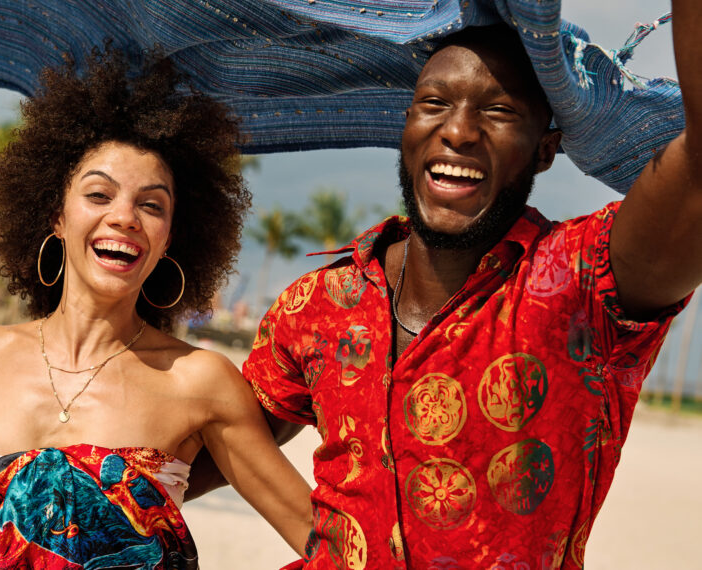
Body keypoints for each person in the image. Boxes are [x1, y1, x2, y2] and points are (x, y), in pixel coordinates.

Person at [242, 4, 701, 568]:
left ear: (544, 149)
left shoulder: (585, 283)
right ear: (406, 127)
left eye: (499, 111)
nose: (457, 131)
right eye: (434, 104)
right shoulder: (317, 304)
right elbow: (219, 433)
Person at [0, 48, 313, 568]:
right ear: (55, 214)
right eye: (99, 195)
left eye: (151, 205)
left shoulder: (199, 382)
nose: (124, 217)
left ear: (171, 238)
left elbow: (322, 539)